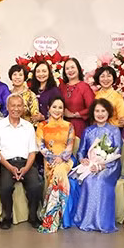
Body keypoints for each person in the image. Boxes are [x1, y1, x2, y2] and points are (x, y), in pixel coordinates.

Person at [0, 94, 43, 230]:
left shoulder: (29, 126)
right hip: (5, 163)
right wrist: (10, 167)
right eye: (13, 105)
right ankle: (7, 217)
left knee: (36, 185)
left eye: (19, 105)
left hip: (26, 163)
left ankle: (33, 216)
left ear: (23, 108)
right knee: (5, 187)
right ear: (7, 107)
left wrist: (25, 168)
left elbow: (32, 152)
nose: (16, 108)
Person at [72, 98, 123, 233]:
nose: (100, 114)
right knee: (89, 180)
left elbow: (117, 152)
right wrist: (83, 160)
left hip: (111, 166)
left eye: (103, 111)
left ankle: (101, 222)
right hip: (91, 164)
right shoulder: (88, 131)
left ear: (108, 113)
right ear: (92, 113)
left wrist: (102, 166)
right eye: (97, 111)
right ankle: (87, 220)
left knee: (99, 180)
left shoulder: (114, 130)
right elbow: (81, 151)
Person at [36, 96, 74, 233]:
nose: (57, 110)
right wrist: (53, 158)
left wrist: (62, 158)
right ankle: (60, 217)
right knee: (57, 172)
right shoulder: (42, 126)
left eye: (60, 108)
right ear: (48, 108)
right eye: (54, 107)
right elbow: (40, 145)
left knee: (59, 171)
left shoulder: (69, 126)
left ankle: (51, 217)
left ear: (64, 110)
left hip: (65, 160)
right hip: (49, 161)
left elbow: (70, 146)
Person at [60, 58, 95, 138]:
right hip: (63, 125)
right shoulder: (62, 87)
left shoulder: (84, 87)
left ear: (78, 69)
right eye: (67, 68)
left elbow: (92, 107)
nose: (70, 70)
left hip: (79, 125)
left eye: (72, 67)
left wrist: (74, 115)